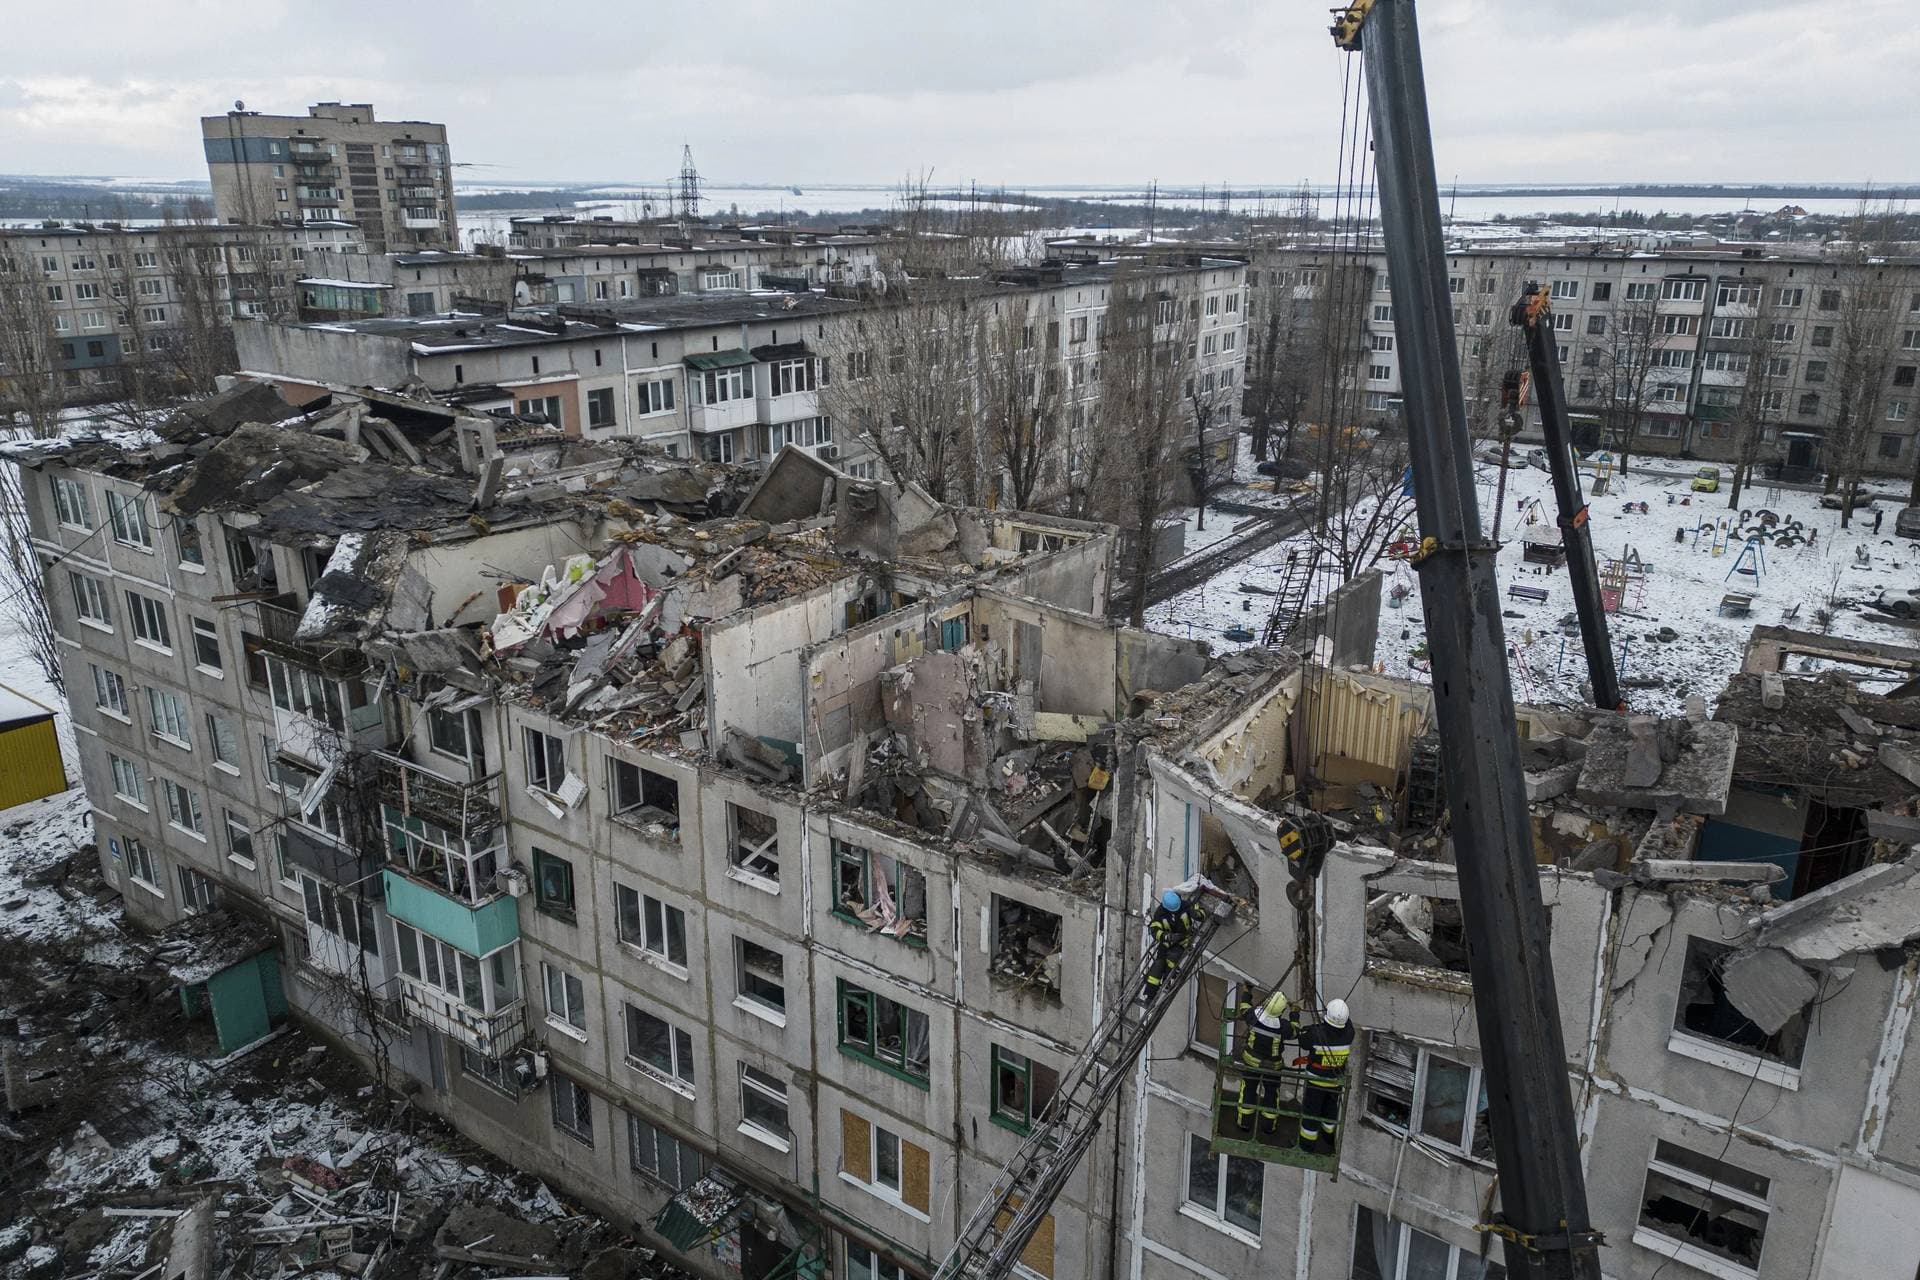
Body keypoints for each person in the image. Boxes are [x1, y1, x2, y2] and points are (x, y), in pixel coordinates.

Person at [1293, 999, 1354, 1155]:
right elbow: (1347, 1024)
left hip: (1316, 1081)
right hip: (1335, 1082)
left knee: (1310, 1114)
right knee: (1330, 1111)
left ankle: (1307, 1145)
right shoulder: (1349, 1034)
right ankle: (1328, 1138)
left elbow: (1303, 1040)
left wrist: (1314, 1027)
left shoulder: (1316, 1034)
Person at [1233, 990, 1292, 1136]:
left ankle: (1244, 1124)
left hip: (1251, 1062)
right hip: (1272, 1067)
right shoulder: (1283, 1027)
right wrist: (1295, 1014)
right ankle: (1268, 1127)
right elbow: (1295, 1031)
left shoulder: (1254, 1016)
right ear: (1282, 1010)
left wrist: (1247, 991)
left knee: (1248, 1090)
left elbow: (1245, 1008)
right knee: (1271, 1094)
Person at [1143, 888, 1196, 1001]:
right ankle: (1150, 995)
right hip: (1167, 942)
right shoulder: (1160, 914)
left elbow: (1199, 913)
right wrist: (1168, 937)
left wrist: (1196, 913)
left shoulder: (1185, 905)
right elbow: (1155, 931)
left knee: (1172, 958)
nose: (1175, 912)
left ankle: (1168, 980)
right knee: (1158, 965)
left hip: (1183, 940)